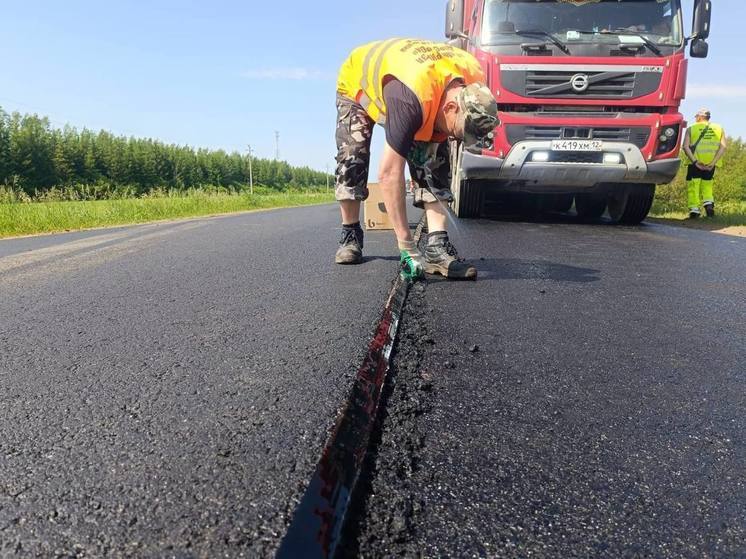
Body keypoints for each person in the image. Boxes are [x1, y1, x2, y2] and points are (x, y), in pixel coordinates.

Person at [333, 38, 499, 280]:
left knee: (437, 154)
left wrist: (450, 132)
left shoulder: (475, 83)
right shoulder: (409, 99)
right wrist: (407, 247)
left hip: (425, 87)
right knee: (353, 155)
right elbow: (389, 174)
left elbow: (451, 125)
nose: (460, 139)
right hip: (357, 87)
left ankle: (437, 247)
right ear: (450, 108)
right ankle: (350, 234)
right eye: (463, 132)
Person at [682, 108, 727, 218]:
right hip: (710, 164)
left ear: (699, 117)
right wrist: (713, 162)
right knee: (707, 184)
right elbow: (723, 146)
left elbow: (685, 147)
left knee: (694, 185)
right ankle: (708, 205)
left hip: (695, 163)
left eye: (696, 117)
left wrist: (695, 161)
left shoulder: (691, 129)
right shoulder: (719, 128)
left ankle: (694, 210)